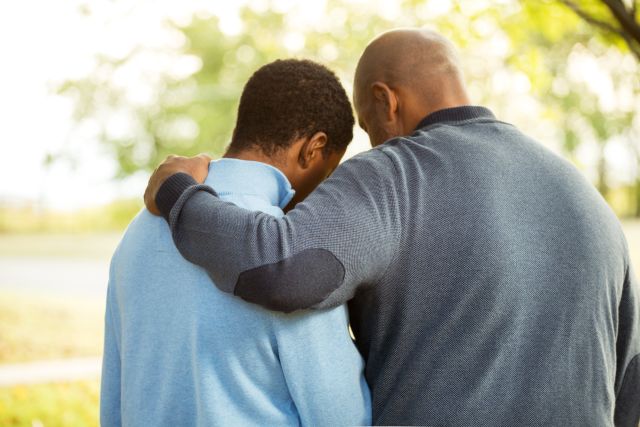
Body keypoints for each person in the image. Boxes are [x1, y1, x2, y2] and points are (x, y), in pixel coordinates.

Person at [144, 29, 640, 426]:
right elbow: (630, 386)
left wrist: (179, 194)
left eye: (365, 125)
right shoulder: (588, 199)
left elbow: (280, 267)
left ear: (386, 101)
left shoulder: (396, 174)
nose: (371, 140)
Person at [101, 59, 371, 427]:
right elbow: (340, 416)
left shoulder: (138, 231)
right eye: (328, 170)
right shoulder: (288, 251)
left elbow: (115, 398)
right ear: (313, 148)